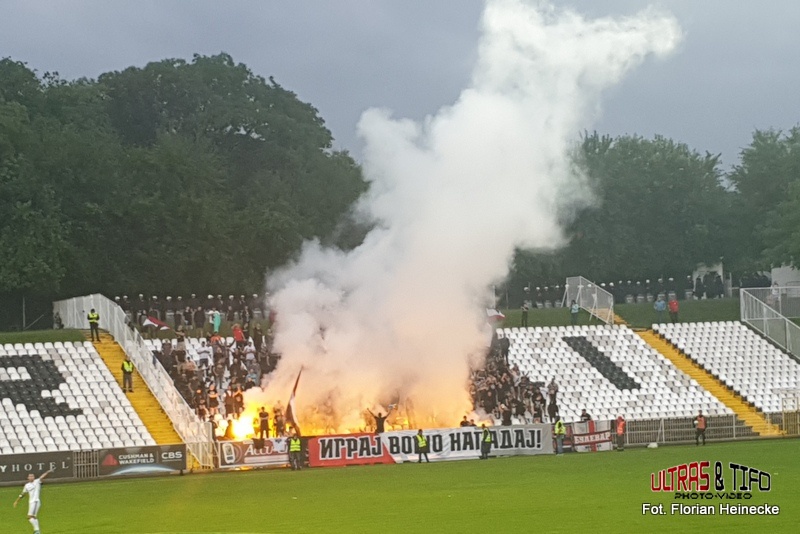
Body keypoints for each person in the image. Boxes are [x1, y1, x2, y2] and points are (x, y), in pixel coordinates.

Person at [14, 468, 54, 534]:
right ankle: (37, 531)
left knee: (30, 517)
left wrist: (48, 471)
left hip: (35, 501)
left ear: (34, 477)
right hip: (31, 502)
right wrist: (17, 501)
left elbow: (43, 476)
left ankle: (37, 531)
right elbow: (23, 494)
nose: (31, 477)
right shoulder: (27, 485)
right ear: (27, 478)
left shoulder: (37, 481)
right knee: (33, 517)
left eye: (32, 476)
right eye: (30, 476)